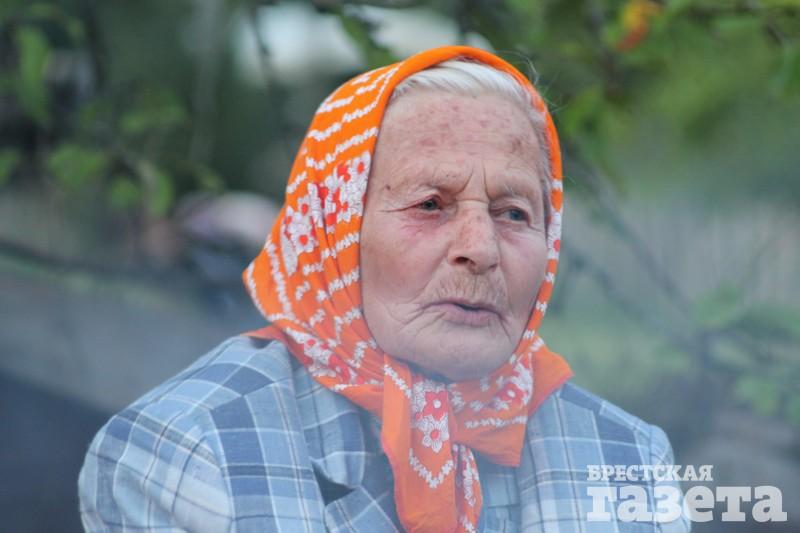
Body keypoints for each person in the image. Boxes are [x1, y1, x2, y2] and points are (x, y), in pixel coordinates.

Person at [78, 46, 690, 532]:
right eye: (430, 204)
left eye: (513, 213)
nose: (480, 249)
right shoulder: (190, 450)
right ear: (335, 230)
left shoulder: (626, 458)